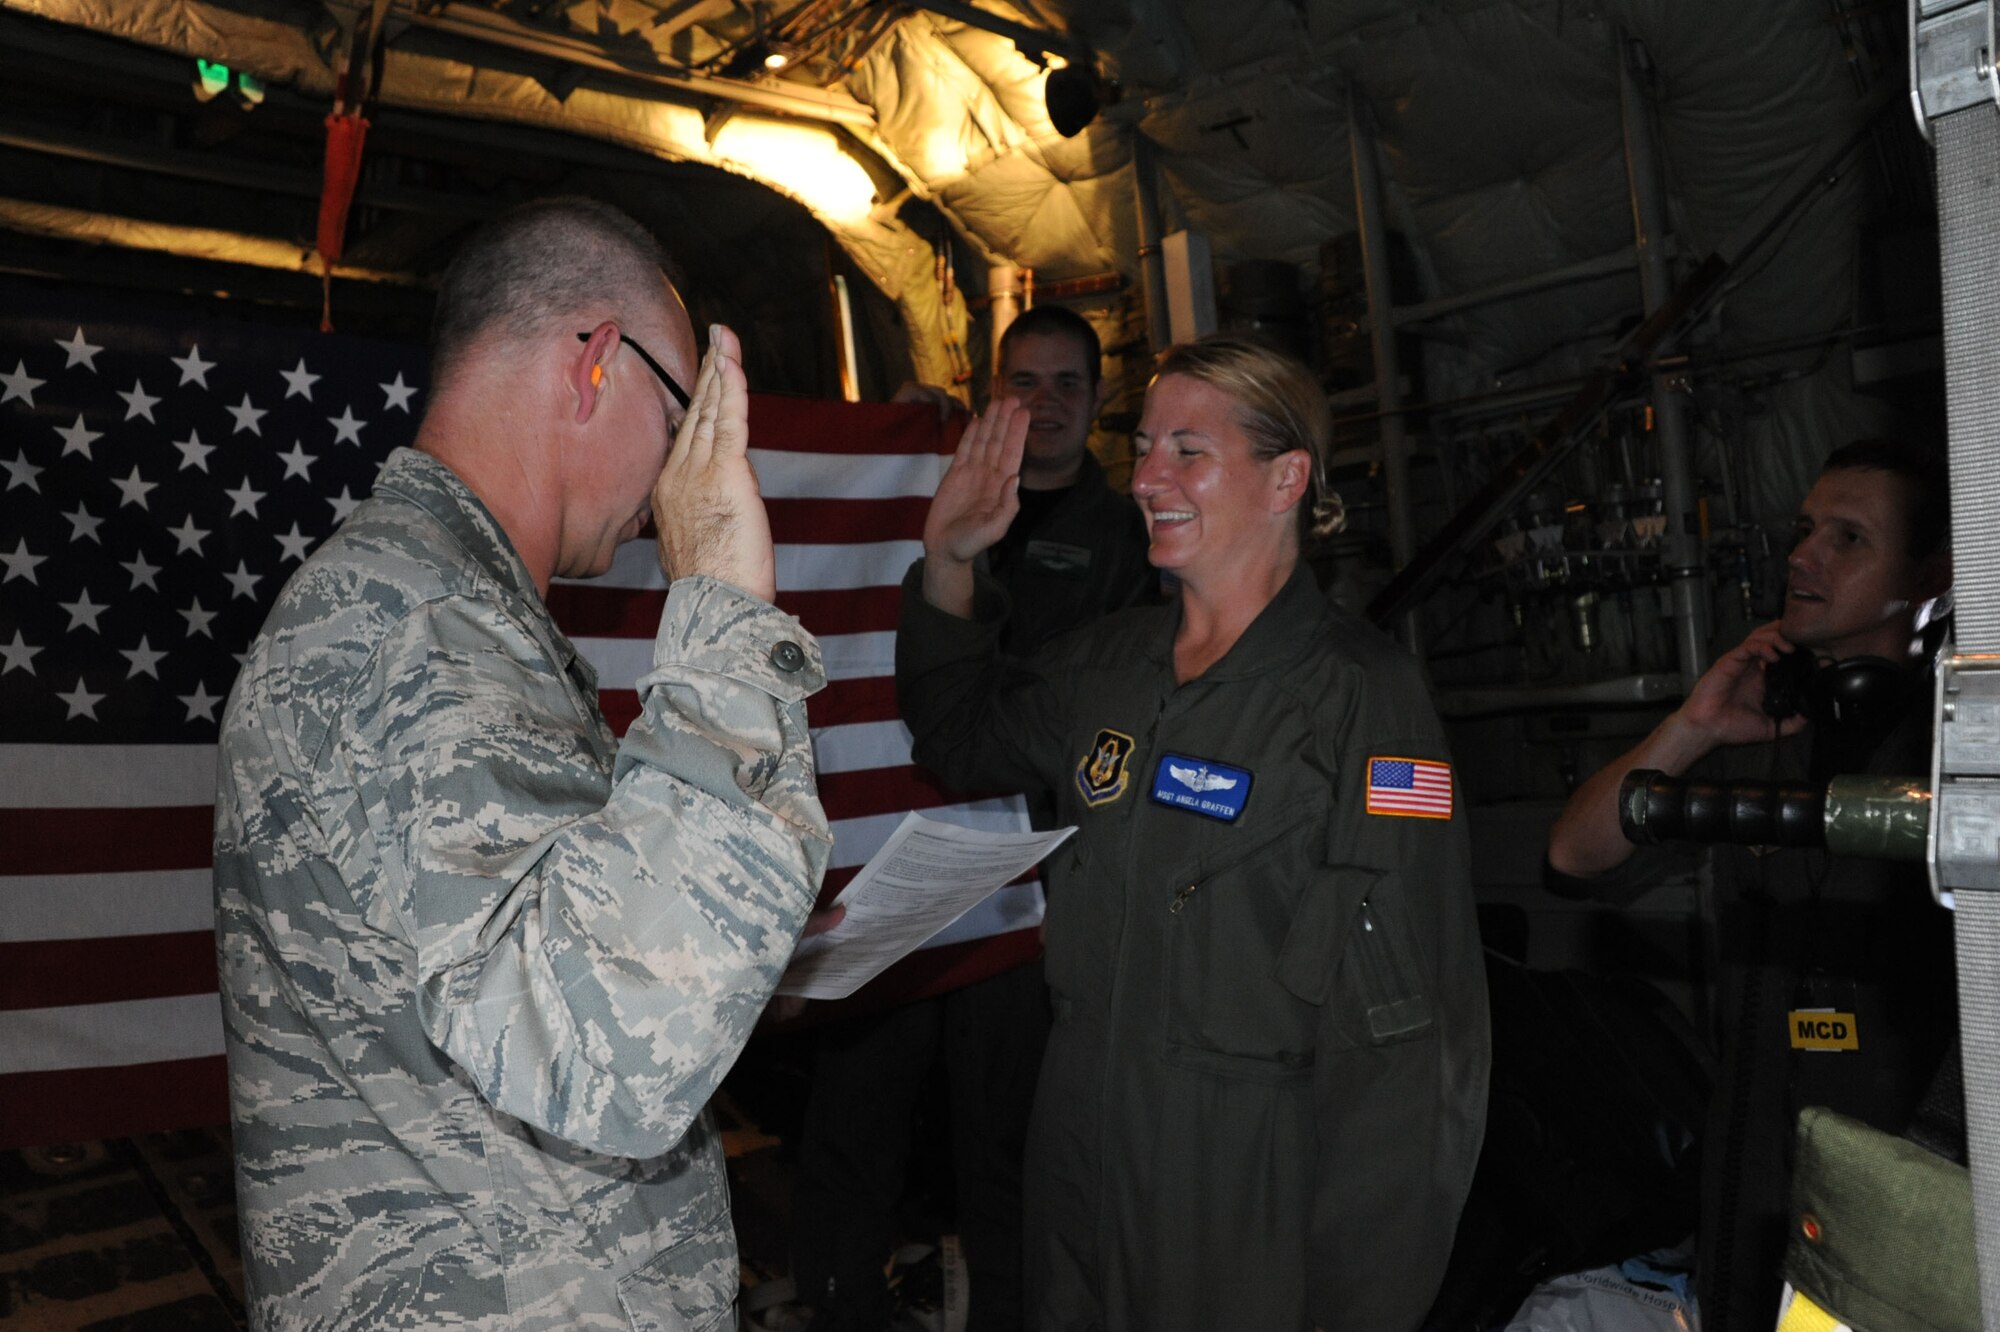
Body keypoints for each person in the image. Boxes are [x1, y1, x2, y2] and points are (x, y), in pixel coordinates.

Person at [213, 197, 833, 1330]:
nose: (671, 482)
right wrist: (726, 615)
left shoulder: (444, 608)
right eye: (682, 416)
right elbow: (599, 1037)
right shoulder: (425, 625)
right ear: (595, 365)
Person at [896, 334, 1490, 1331]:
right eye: (1142, 447)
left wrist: (1360, 1302)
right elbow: (959, 734)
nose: (1145, 479)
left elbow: (1408, 1044)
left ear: (1285, 477)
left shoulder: (1360, 700)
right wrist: (951, 561)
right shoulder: (1108, 665)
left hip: (1244, 1172)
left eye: (1188, 452)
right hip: (1079, 1140)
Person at [792, 305, 1152, 1332]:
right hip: (894, 855)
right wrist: (902, 448)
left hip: (1022, 884)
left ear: (1095, 400)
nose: (1043, 404)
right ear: (990, 393)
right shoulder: (934, 485)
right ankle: (840, 1308)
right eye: (1020, 384)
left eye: (1066, 384)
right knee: (858, 1111)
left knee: (1007, 1136)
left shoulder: (1123, 537)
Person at [1546, 440, 1956, 1330]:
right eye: (1806, 530)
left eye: (1849, 539)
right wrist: (1694, 727)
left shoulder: (1951, 764)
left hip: (1896, 1212)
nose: (1803, 557)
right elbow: (1576, 854)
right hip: (1751, 1197)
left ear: (1930, 578)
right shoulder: (1765, 733)